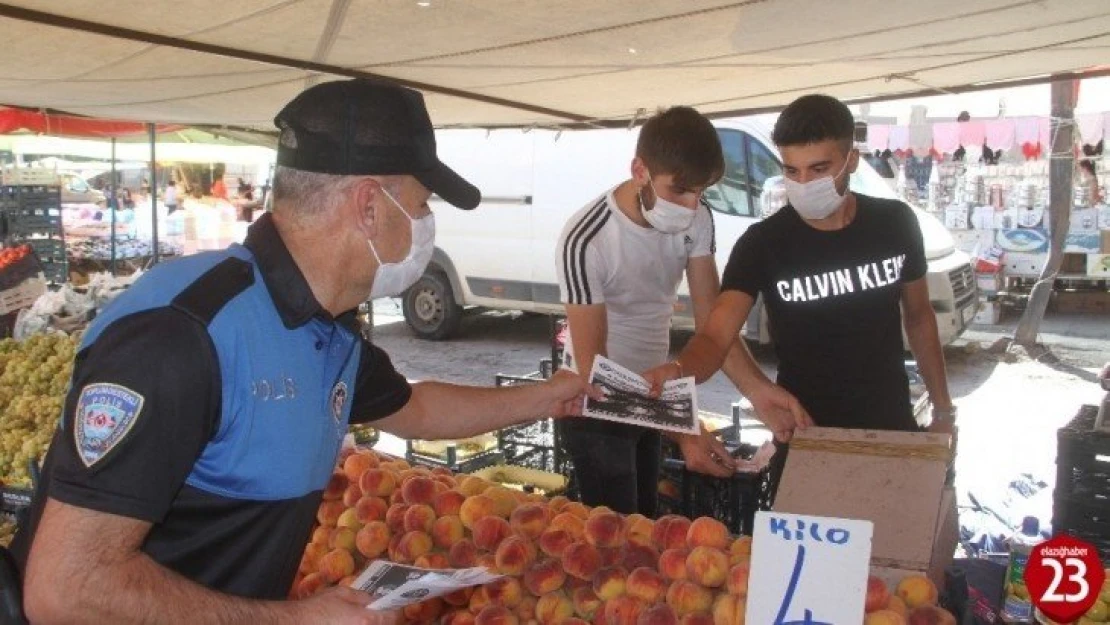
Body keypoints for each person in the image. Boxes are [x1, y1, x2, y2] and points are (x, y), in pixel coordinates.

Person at [12, 79, 594, 625]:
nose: (425, 225)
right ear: (369, 205)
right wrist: (293, 619)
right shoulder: (183, 336)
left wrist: (548, 396)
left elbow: (415, 410)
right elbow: (66, 588)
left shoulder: (328, 323)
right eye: (420, 206)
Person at [645, 94, 955, 453]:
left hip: (890, 426)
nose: (804, 183)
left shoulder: (896, 223)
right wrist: (680, 370)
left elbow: (919, 318)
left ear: (850, 160)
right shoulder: (763, 243)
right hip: (804, 431)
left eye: (819, 169)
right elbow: (716, 336)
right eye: (792, 170)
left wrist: (943, 408)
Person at [555, 106, 811, 516]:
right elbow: (593, 372)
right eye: (680, 191)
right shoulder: (586, 239)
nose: (692, 206)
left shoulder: (697, 219)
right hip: (596, 407)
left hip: (656, 393)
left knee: (644, 523)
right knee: (613, 532)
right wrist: (681, 427)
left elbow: (715, 329)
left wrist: (758, 390)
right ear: (640, 170)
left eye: (702, 192)